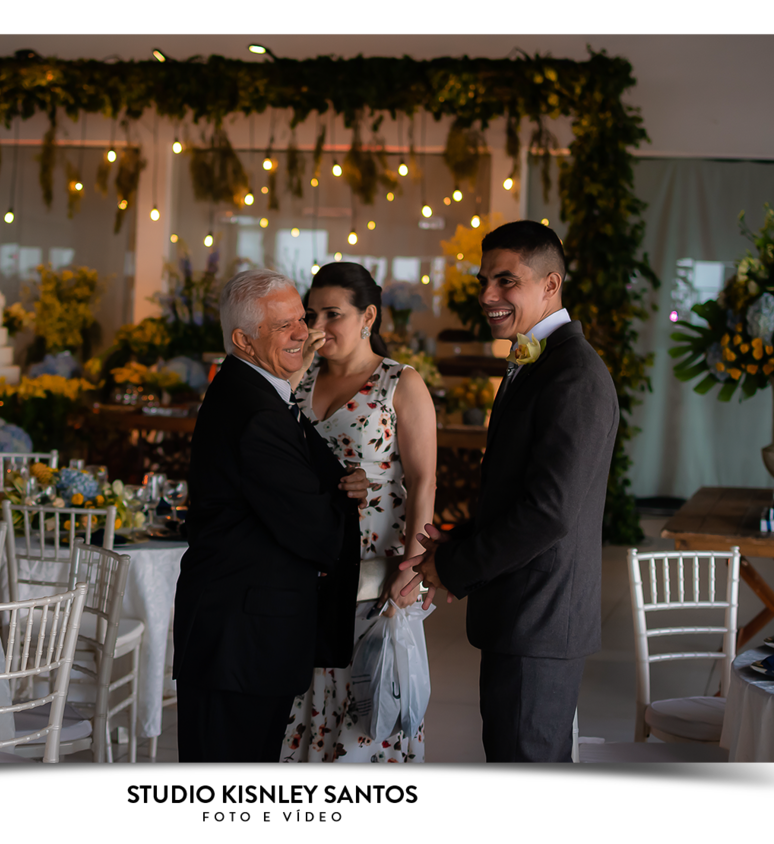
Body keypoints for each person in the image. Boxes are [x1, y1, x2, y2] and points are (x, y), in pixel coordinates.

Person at [401, 220, 619, 763]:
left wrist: (456, 566)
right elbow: (516, 490)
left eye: (506, 281)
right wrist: (456, 541)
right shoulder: (537, 361)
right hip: (521, 612)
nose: (487, 296)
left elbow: (549, 512)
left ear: (551, 285)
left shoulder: (574, 374)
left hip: (540, 616)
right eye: (484, 282)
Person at [172, 268, 369, 763]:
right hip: (241, 642)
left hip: (238, 636)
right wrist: (346, 496)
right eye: (285, 326)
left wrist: (338, 481)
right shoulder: (256, 410)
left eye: (302, 318)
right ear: (244, 340)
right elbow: (319, 533)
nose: (304, 332)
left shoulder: (254, 391)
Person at [281, 261, 436, 763]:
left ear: (368, 316)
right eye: (312, 315)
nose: (319, 326)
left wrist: (412, 567)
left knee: (367, 697)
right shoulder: (299, 381)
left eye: (334, 314)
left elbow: (424, 480)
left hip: (374, 569)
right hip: (307, 564)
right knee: (303, 695)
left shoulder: (399, 382)